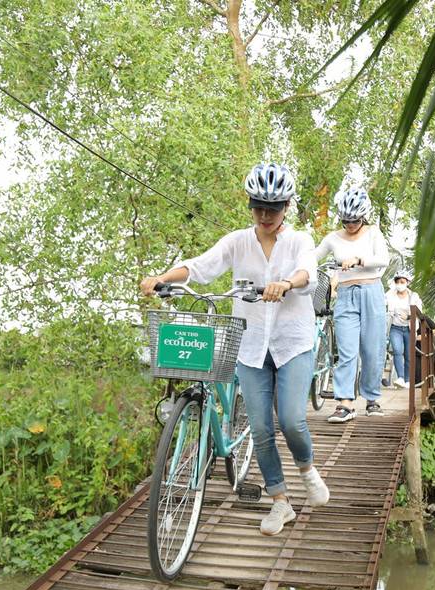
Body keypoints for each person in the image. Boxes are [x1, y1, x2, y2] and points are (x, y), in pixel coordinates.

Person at [139, 163, 329, 536]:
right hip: (251, 346)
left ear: (287, 207)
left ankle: (306, 468)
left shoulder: (299, 240)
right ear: (250, 204)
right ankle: (279, 501)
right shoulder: (237, 241)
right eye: (258, 206)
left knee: (290, 419)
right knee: (259, 427)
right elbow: (200, 267)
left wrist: (287, 283)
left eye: (273, 208)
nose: (265, 215)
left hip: (293, 342)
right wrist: (163, 277)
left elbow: (310, 272)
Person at [314, 187, 389, 423]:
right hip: (346, 295)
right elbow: (312, 257)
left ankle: (372, 398)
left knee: (372, 349)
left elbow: (383, 260)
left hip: (372, 292)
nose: (350, 225)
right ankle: (344, 403)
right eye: (346, 220)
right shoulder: (332, 238)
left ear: (363, 217)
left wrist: (358, 260)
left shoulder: (374, 233)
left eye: (355, 220)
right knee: (346, 351)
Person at [385, 273, 423, 388]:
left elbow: (420, 312)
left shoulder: (414, 296)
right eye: (397, 282)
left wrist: (409, 316)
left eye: (402, 282)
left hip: (409, 329)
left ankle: (407, 380)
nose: (400, 284)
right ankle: (400, 378)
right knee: (397, 350)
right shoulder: (390, 294)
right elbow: (382, 303)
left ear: (407, 283)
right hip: (394, 328)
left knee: (408, 355)